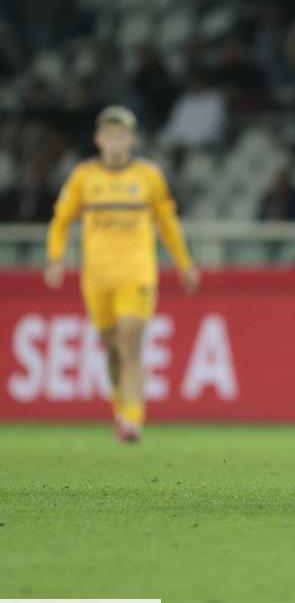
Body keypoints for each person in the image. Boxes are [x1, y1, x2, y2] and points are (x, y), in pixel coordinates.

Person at [44, 106, 199, 442]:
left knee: (130, 342)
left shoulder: (148, 176)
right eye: (109, 135)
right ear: (99, 139)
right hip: (97, 278)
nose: (115, 142)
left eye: (121, 135)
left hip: (137, 273)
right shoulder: (84, 177)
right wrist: (55, 258)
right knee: (111, 348)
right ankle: (120, 409)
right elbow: (61, 221)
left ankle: (133, 419)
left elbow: (167, 223)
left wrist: (184, 263)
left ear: (131, 139)